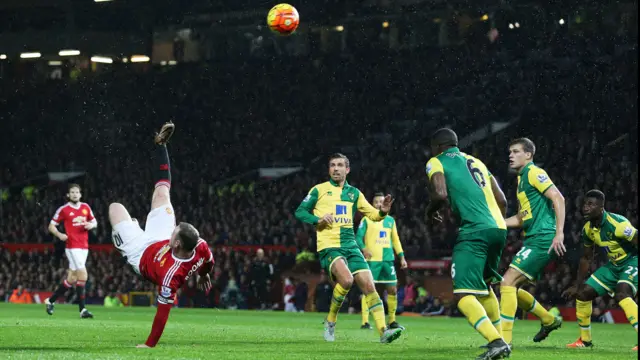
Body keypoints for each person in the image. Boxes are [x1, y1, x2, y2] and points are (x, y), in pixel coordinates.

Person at [109, 122, 214, 348]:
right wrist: (205, 273)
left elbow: (162, 313)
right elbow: (209, 259)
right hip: (160, 240)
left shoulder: (170, 277)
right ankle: (161, 145)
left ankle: (125, 236)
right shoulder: (199, 245)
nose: (174, 226)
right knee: (162, 193)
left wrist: (149, 345)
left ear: (176, 243)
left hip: (141, 253)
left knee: (115, 208)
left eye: (176, 229)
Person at [294, 153, 403, 344]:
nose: (336, 168)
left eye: (340, 165)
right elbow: (300, 211)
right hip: (329, 246)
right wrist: (317, 220)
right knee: (346, 280)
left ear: (347, 169)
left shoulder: (355, 193)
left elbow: (373, 215)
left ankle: (383, 331)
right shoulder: (319, 190)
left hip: (351, 246)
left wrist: (383, 211)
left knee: (369, 286)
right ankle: (331, 320)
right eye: (332, 165)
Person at [425, 128, 510, 360]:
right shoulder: (477, 162)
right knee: (486, 286)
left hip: (475, 231)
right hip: (499, 229)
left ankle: (496, 342)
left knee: (463, 295)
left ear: (437, 147)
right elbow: (502, 200)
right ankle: (500, 338)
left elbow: (440, 194)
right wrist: (495, 225)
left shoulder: (436, 161)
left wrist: (430, 211)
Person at [500, 138, 565, 346]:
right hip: (533, 239)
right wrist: (496, 222)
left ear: (528, 155)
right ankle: (548, 320)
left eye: (516, 151)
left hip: (544, 238)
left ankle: (503, 341)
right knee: (512, 289)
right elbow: (521, 218)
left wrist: (559, 233)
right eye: (510, 151)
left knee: (507, 282)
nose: (511, 155)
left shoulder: (534, 172)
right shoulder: (521, 180)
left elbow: (558, 197)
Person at [562, 190, 638, 351]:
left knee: (622, 293)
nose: (585, 208)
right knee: (583, 294)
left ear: (601, 207)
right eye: (585, 204)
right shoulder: (588, 229)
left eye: (591, 204)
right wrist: (577, 285)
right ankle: (585, 340)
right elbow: (586, 258)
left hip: (633, 261)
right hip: (614, 266)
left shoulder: (618, 225)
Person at [356, 192, 408, 330]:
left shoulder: (390, 221)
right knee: (369, 290)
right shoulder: (367, 220)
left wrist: (401, 257)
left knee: (392, 290)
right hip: (372, 261)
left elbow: (395, 240)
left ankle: (392, 321)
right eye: (377, 202)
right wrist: (364, 248)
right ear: (372, 205)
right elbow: (358, 237)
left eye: (382, 201)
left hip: (388, 260)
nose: (379, 203)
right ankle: (365, 322)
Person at [46, 183, 97, 318]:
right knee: (83, 275)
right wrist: (59, 235)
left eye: (77, 192)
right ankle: (82, 310)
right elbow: (51, 226)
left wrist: (90, 225)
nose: (75, 194)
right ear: (68, 195)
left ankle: (50, 301)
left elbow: (95, 221)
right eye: (72, 192)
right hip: (72, 246)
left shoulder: (86, 207)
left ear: (80, 194)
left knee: (72, 278)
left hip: (84, 246)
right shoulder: (64, 210)